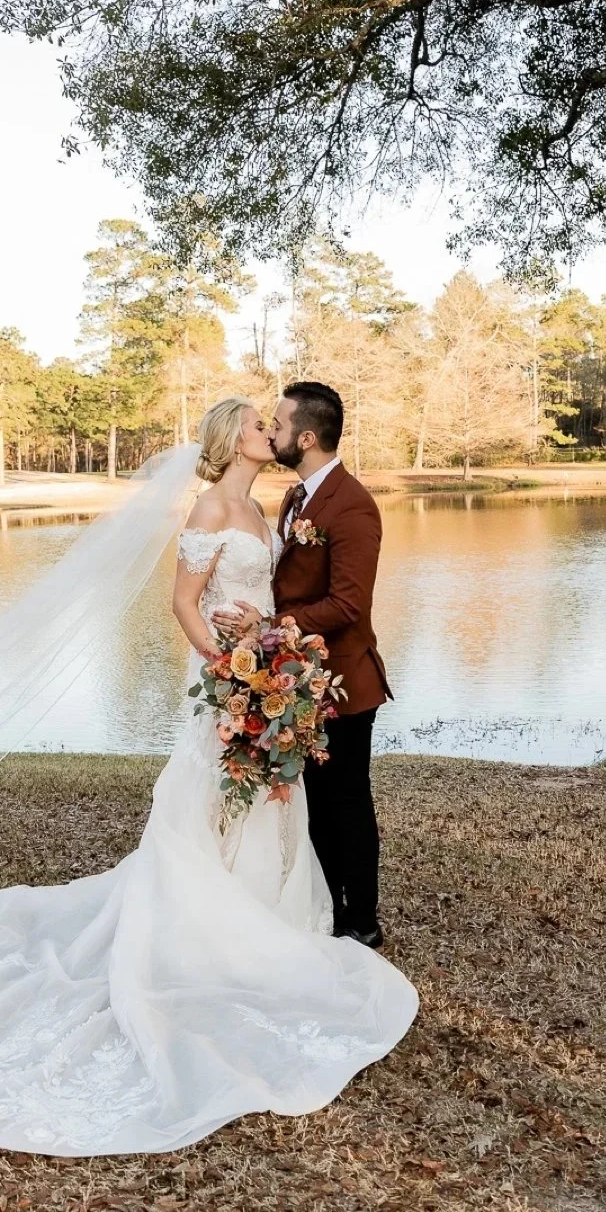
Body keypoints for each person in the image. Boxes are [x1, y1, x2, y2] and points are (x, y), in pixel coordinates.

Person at [0, 397, 417, 1156]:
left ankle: (282, 915)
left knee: (273, 802)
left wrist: (268, 654)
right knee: (221, 801)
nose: (269, 430)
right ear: (237, 436)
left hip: (270, 675)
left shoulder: (273, 504)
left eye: (277, 422)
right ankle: (224, 932)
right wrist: (231, 668)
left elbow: (292, 596)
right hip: (238, 681)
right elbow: (183, 602)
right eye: (258, 423)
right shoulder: (212, 506)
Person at [213, 381, 392, 948]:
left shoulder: (353, 503)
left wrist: (268, 630)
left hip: (344, 681)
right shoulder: (295, 499)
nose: (272, 431)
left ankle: (362, 921)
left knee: (347, 803)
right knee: (315, 800)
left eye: (280, 424)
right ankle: (325, 906)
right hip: (299, 679)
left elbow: (347, 605)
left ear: (307, 437)